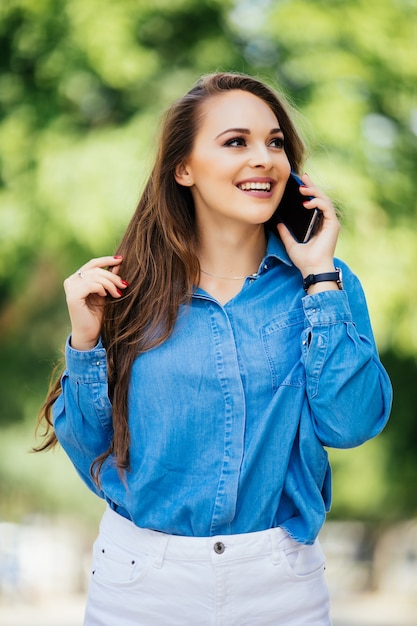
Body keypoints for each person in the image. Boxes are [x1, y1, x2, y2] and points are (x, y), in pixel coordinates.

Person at [36, 72, 392, 625]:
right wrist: (85, 343)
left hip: (280, 586)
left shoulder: (326, 284)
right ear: (183, 168)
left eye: (275, 143)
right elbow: (92, 451)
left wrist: (319, 275)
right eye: (235, 142)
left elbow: (351, 423)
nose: (264, 158)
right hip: (141, 583)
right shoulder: (124, 291)